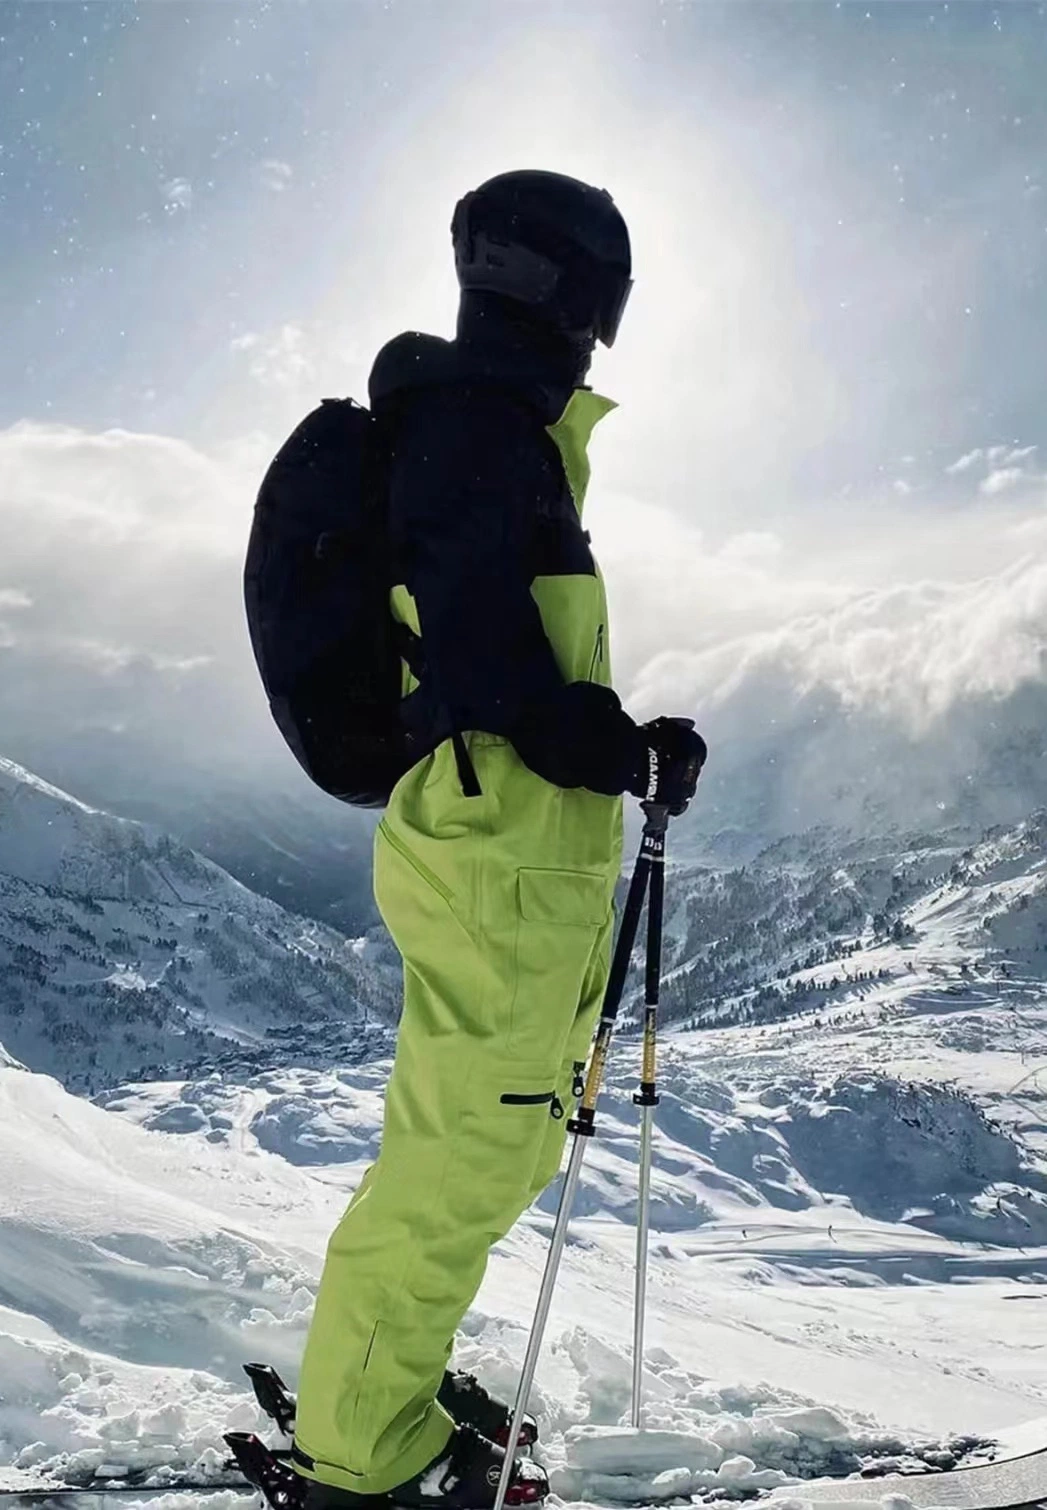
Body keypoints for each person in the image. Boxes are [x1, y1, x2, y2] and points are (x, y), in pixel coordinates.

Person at [291, 169, 707, 1510]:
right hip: (500, 846)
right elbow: (487, 657)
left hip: (519, 846)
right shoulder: (474, 427)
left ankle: (383, 1382)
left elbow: (510, 654)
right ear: (570, 289)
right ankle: (361, 1447)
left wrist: (626, 743)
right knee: (467, 1146)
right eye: (603, 293)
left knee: (512, 1136)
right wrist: (610, 743)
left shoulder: (499, 429)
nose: (601, 323)